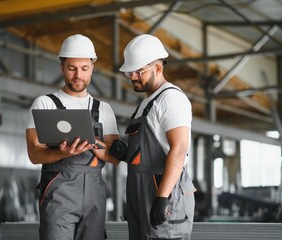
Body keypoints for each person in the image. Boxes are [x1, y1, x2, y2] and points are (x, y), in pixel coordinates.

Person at [26, 34, 120, 240]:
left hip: (95, 193)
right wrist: (61, 152)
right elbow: (34, 154)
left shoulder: (103, 109)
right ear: (62, 67)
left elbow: (114, 157)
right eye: (72, 68)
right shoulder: (44, 104)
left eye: (84, 69)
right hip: (59, 191)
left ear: (92, 68)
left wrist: (92, 143)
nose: (78, 75)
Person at [118, 34, 196, 240]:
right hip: (142, 194)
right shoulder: (146, 103)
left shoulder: (171, 99)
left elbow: (179, 150)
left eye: (138, 71)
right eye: (129, 72)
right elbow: (150, 153)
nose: (133, 76)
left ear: (158, 68)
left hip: (163, 193)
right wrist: (127, 154)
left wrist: (162, 198)